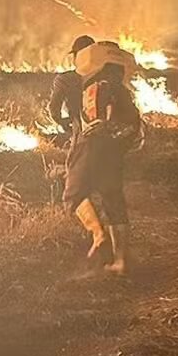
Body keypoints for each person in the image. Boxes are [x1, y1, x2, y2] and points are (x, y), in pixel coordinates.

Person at [63, 42, 142, 275]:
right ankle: (120, 261)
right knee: (113, 200)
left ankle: (98, 236)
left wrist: (99, 126)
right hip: (115, 151)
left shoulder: (97, 84)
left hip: (92, 146)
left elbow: (99, 115)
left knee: (73, 194)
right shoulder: (122, 89)